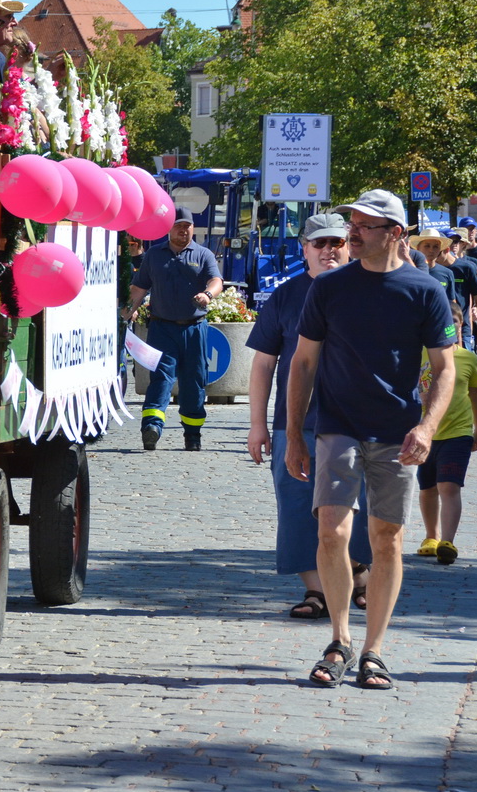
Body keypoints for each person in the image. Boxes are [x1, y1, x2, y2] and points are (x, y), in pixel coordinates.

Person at [285, 188, 457, 691]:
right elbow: (303, 362)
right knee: (331, 533)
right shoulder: (330, 288)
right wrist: (296, 434)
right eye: (352, 223)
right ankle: (339, 639)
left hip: (397, 432)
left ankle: (374, 650)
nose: (352, 233)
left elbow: (444, 369)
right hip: (338, 425)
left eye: (364, 225)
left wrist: (427, 428)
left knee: (387, 540)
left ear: (395, 233)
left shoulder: (424, 290)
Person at [246, 213, 373, 620]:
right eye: (318, 243)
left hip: (357, 421)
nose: (328, 250)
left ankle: (361, 573)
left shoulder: (369, 290)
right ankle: (315, 590)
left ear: (349, 245)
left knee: (361, 505)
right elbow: (264, 364)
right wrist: (257, 425)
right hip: (296, 423)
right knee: (298, 505)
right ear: (304, 249)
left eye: (336, 242)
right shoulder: (285, 296)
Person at [123, 208, 223, 451]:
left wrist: (208, 294)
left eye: (187, 225)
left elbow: (216, 281)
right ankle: (152, 427)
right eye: (178, 225)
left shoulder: (203, 254)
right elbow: (139, 288)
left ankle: (192, 434)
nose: (183, 229)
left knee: (193, 382)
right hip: (162, 328)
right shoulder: (154, 255)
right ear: (169, 227)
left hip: (194, 329)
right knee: (161, 378)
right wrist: (125, 314)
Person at [415, 339, 477, 565]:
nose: (448, 328)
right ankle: (431, 537)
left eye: (454, 322)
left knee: (449, 485)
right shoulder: (417, 353)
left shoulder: (468, 358)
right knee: (427, 488)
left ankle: (447, 542)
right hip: (425, 433)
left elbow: (475, 395)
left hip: (458, 432)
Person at [446, 232, 477, 351]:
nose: (454, 245)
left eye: (456, 241)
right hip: (438, 329)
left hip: (463, 328)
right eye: (450, 241)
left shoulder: (467, 266)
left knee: (463, 365)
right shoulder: (431, 269)